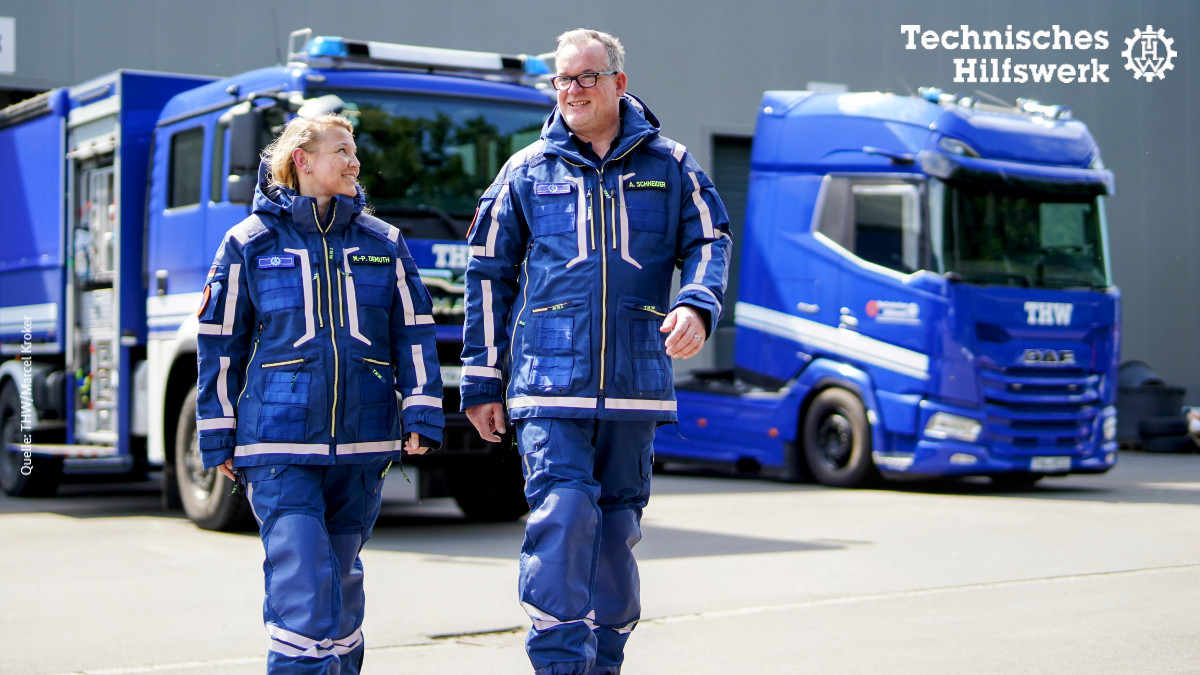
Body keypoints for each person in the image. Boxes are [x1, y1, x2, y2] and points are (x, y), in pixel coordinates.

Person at [460, 28, 732, 675]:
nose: (573, 90)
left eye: (586, 76)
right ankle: (559, 665)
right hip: (547, 385)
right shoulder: (525, 171)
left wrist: (696, 301)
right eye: (563, 79)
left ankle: (601, 662)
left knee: (613, 537)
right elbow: (485, 271)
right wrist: (480, 380)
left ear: (618, 83)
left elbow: (710, 239)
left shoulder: (672, 165)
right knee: (563, 511)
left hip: (635, 385)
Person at [195, 112, 443, 674]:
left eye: (355, 152)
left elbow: (414, 331)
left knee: (342, 588)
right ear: (302, 160)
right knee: (304, 585)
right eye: (342, 151)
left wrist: (423, 411)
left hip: (362, 445)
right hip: (278, 447)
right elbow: (219, 346)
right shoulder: (248, 243)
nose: (355, 162)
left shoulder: (385, 242)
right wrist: (218, 436)